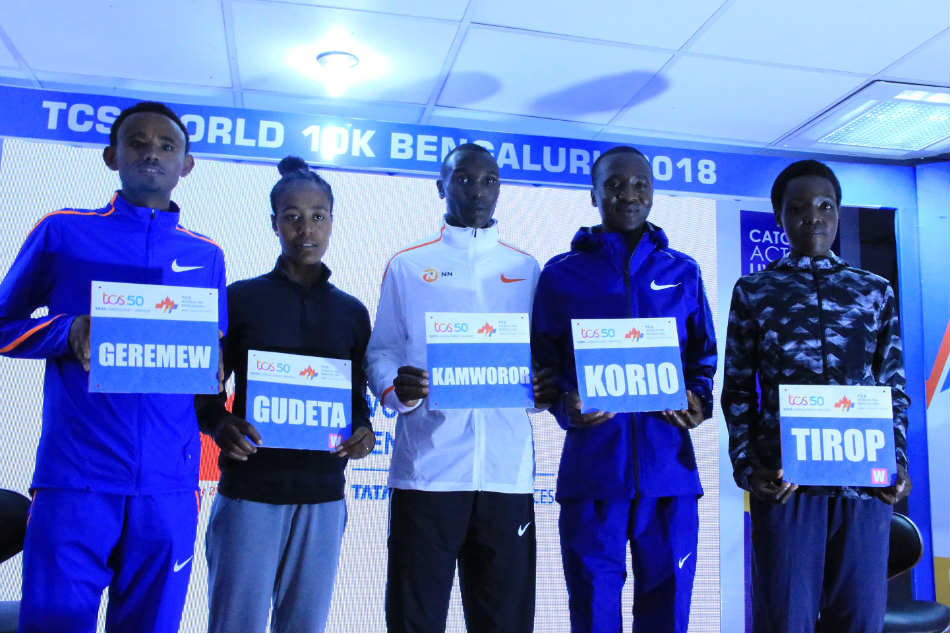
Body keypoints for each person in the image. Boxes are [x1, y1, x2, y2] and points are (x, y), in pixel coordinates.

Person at [0, 101, 227, 632]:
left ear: (186, 165)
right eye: (138, 142)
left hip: (170, 487)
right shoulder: (62, 231)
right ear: (111, 156)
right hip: (77, 480)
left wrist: (211, 369)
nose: (153, 153)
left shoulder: (207, 254)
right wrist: (68, 329)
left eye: (167, 145)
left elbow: (206, 353)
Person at [365, 143, 553, 632]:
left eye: (490, 180)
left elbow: (541, 362)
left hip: (505, 476)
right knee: (414, 619)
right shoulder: (409, 265)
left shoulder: (528, 269)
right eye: (464, 179)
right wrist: (396, 389)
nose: (478, 190)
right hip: (427, 472)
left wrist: (542, 384)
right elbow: (381, 350)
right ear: (440, 186)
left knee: (505, 622)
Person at [531, 145, 717, 633]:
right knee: (594, 614)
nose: (628, 194)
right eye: (614, 184)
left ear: (653, 191)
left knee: (668, 610)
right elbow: (544, 364)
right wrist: (567, 404)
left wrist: (699, 398)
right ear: (593, 194)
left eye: (640, 184)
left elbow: (702, 357)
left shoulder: (683, 271)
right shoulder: (560, 274)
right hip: (594, 470)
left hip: (669, 472)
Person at [722, 159, 910, 632]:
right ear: (779, 216)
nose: (814, 216)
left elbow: (893, 389)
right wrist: (747, 469)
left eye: (826, 205)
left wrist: (898, 463)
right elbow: (739, 388)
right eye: (799, 207)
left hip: (863, 484)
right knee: (785, 620)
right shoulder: (755, 291)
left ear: (839, 214)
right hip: (787, 483)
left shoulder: (874, 292)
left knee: (858, 620)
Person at [196, 156, 374, 633]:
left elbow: (356, 402)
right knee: (237, 626)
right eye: (292, 217)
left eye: (318, 216)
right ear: (273, 224)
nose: (305, 229)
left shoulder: (352, 313)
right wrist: (219, 423)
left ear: (332, 221)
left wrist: (364, 432)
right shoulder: (240, 299)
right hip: (251, 492)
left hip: (322, 496)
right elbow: (205, 392)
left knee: (304, 627)